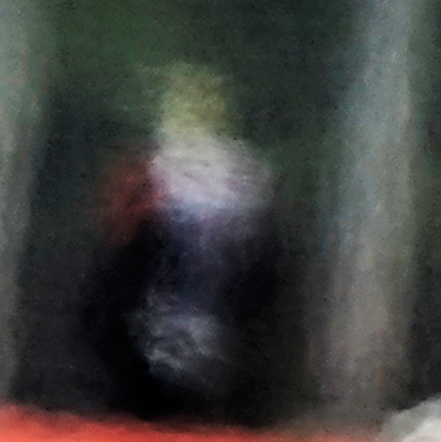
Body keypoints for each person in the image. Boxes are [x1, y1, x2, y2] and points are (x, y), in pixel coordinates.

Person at [74, 67, 286, 423]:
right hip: (154, 322)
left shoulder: (243, 177)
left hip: (209, 326)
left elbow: (258, 267)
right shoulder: (149, 170)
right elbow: (119, 255)